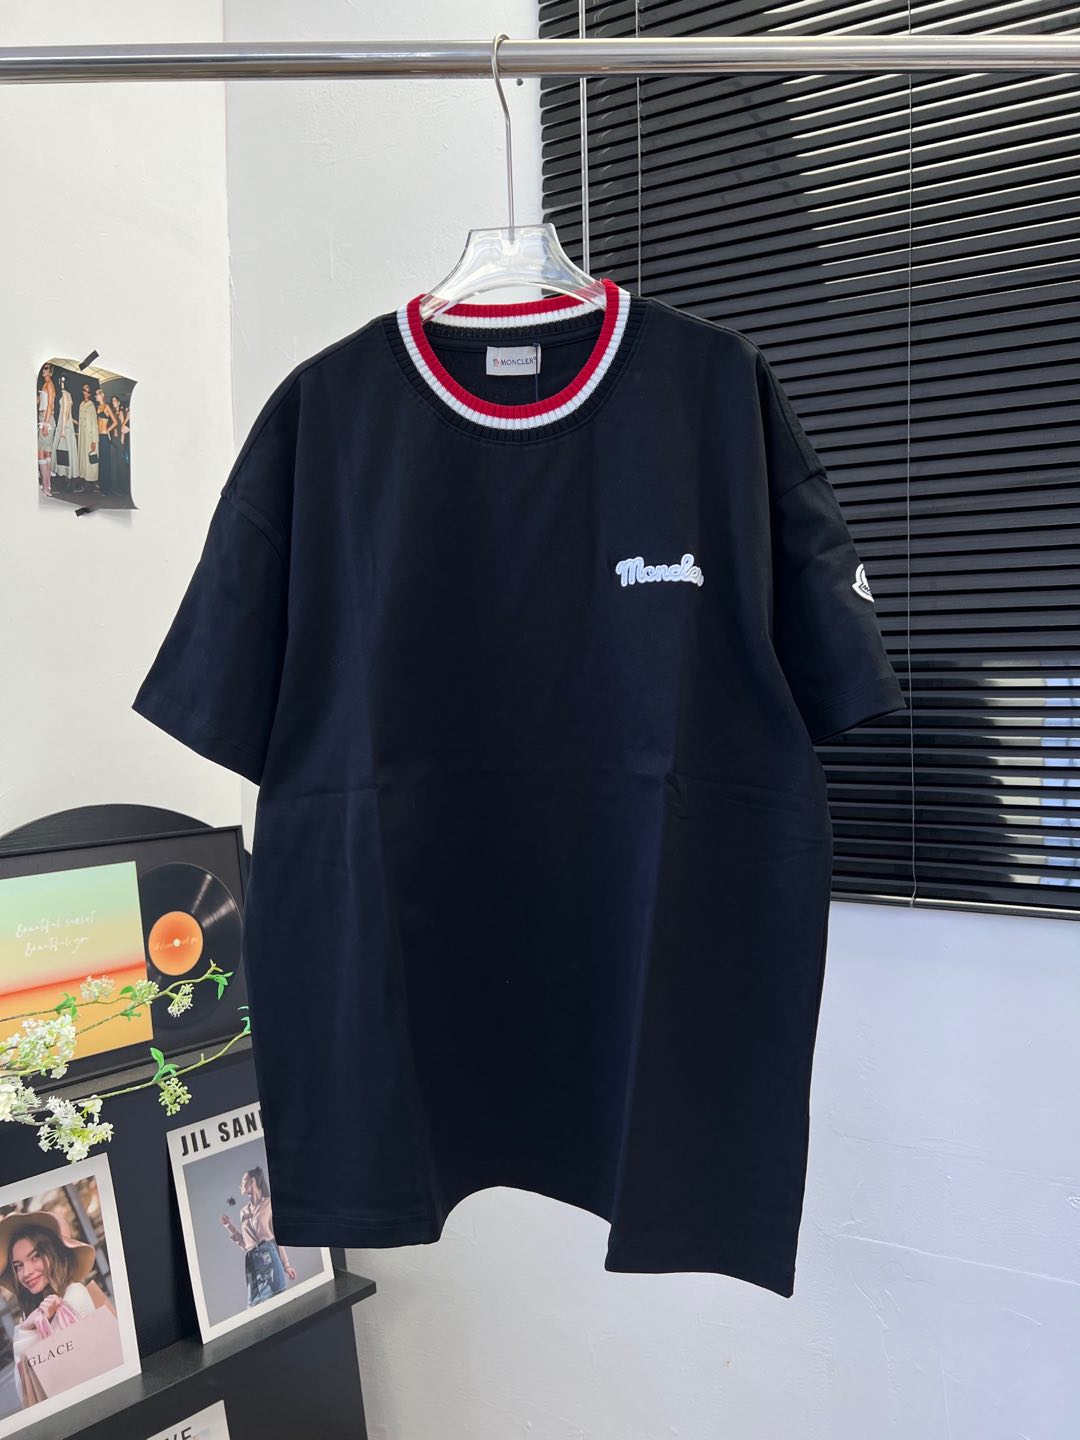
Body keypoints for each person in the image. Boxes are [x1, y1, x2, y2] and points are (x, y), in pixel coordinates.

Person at [0, 1210, 98, 1409]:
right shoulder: (27, 1318)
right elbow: (26, 1391)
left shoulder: (74, 1295)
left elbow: (75, 1370)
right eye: (18, 1266)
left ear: (52, 1254)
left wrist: (46, 1324)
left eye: (35, 1257)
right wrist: (28, 1328)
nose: (26, 1273)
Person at [220, 1165, 296, 1307]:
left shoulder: (270, 1204)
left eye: (243, 1180)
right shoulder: (243, 1212)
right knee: (254, 1307)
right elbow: (246, 1245)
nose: (240, 1185)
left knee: (278, 1305)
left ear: (253, 1181)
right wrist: (229, 1226)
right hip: (252, 1264)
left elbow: (278, 1238)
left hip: (270, 1259)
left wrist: (286, 1266)